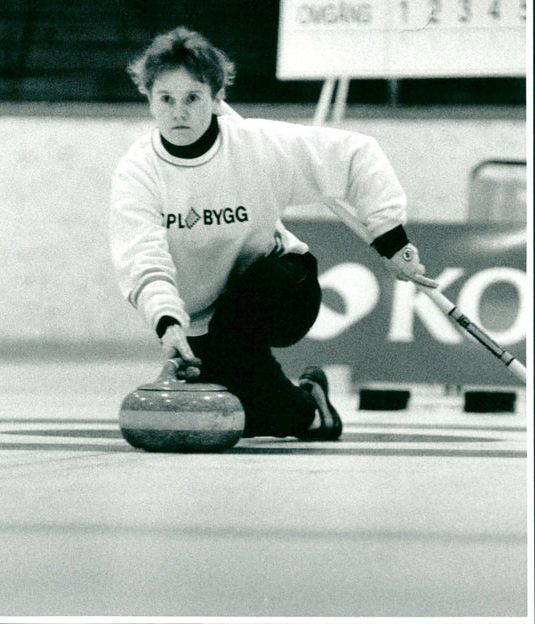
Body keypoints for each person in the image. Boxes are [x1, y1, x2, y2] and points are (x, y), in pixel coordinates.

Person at [109, 26, 437, 441]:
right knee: (239, 417)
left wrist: (393, 240)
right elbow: (142, 257)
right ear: (149, 99)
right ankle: (311, 410)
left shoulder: (258, 146)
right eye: (166, 99)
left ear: (216, 97)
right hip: (203, 322)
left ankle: (263, 383)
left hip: (284, 287)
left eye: (193, 98)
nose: (179, 112)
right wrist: (168, 322)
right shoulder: (138, 172)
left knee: (235, 330)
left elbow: (358, 155)